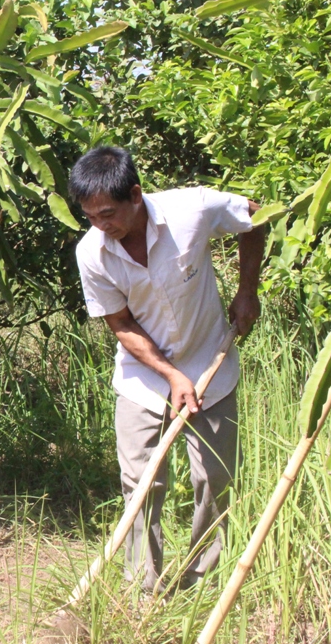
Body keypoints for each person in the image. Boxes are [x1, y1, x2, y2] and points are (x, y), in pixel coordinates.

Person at [71, 146, 265, 592]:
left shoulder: (192, 209)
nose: (102, 226)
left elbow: (257, 216)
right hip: (144, 380)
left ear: (135, 194)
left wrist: (247, 291)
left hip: (210, 366)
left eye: (108, 213)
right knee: (140, 483)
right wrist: (172, 375)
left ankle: (200, 585)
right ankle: (143, 590)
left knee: (215, 480)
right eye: (91, 217)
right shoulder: (92, 254)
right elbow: (120, 323)